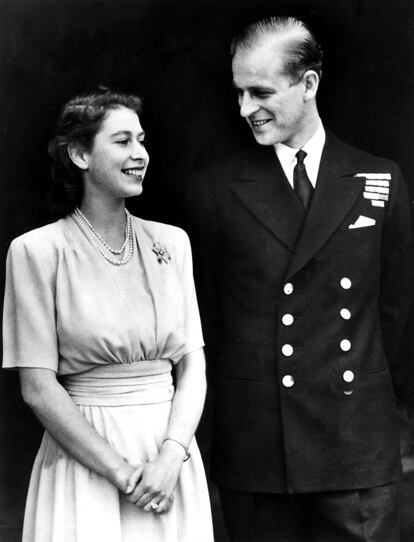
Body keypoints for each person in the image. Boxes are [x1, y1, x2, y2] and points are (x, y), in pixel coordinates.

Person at [187, 16, 413, 542]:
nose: (246, 109)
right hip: (260, 448)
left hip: (354, 443)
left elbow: (397, 312)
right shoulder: (217, 189)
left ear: (308, 84)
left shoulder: (379, 178)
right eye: (239, 93)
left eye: (261, 92)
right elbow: (208, 321)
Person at [2, 88, 214, 542]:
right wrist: (122, 474)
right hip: (88, 461)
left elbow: (192, 363)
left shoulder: (172, 243)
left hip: (169, 457)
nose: (140, 154)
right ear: (79, 154)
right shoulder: (37, 252)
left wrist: (171, 457)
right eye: (122, 142)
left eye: (142, 140)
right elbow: (38, 388)